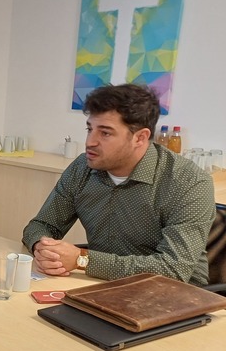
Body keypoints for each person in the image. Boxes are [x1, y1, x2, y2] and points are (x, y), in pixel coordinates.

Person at [22, 83, 214, 285]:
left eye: (105, 133)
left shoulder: (189, 182)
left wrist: (83, 259)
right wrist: (43, 249)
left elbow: (173, 269)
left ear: (140, 137)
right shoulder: (82, 168)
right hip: (100, 284)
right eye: (90, 129)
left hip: (174, 296)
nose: (90, 142)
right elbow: (42, 225)